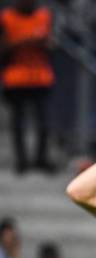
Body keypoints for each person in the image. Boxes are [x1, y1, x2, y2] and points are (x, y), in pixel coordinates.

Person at [0, 0, 55, 174]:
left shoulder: (44, 15)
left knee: (44, 122)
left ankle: (41, 159)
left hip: (41, 77)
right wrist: (22, 41)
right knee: (18, 123)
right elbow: (2, 49)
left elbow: (52, 45)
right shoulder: (6, 17)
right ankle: (21, 161)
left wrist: (43, 43)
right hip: (16, 78)